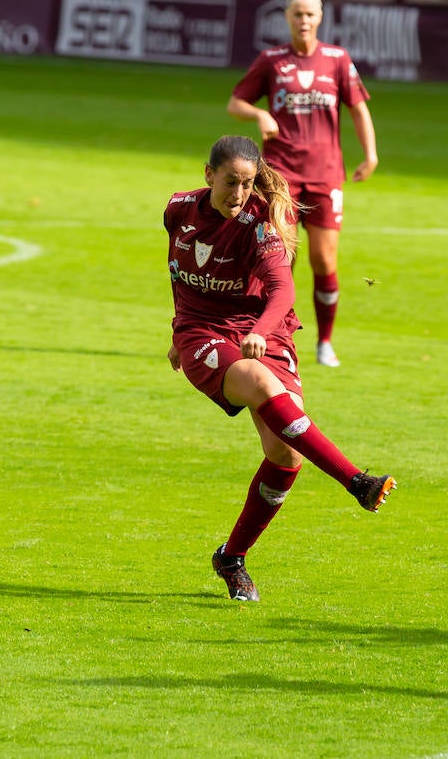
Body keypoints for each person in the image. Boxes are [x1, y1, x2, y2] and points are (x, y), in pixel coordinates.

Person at [166, 135, 394, 603]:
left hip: (263, 332)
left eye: (247, 184)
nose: (238, 194)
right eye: (229, 182)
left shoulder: (263, 223)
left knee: (286, 455)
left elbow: (283, 291)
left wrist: (261, 331)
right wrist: (177, 331)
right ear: (208, 175)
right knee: (259, 381)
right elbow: (178, 272)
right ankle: (356, 480)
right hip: (203, 333)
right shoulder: (177, 210)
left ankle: (231, 557)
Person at [227, 0, 378, 368]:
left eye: (310, 14)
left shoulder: (337, 60)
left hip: (327, 173)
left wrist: (371, 154)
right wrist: (259, 115)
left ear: (320, 17)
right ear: (288, 18)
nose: (304, 21)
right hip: (280, 177)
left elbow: (359, 109)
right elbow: (235, 103)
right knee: (281, 259)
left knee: (325, 261)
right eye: (297, 15)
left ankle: (325, 341)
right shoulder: (272, 61)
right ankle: (271, 333)